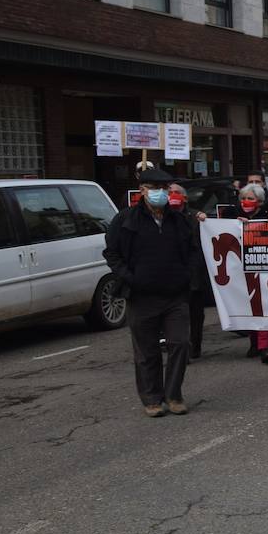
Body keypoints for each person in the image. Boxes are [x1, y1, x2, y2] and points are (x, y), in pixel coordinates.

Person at [103, 167, 196, 417]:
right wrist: (131, 278)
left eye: (164, 189)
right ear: (143, 190)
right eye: (155, 189)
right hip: (142, 296)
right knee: (147, 351)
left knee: (179, 343)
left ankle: (174, 395)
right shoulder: (125, 220)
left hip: (174, 295)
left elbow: (192, 251)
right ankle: (152, 398)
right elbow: (111, 253)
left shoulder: (179, 220)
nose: (161, 194)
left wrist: (186, 276)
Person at [168, 183, 213, 360]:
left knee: (195, 315)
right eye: (170, 192)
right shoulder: (162, 216)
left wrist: (204, 219)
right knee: (176, 316)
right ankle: (181, 348)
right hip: (172, 275)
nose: (173, 195)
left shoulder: (195, 217)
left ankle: (195, 346)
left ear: (184, 198)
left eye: (177, 193)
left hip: (194, 275)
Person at [236, 184, 268, 364]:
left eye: (250, 198)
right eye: (244, 197)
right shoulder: (234, 215)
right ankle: (253, 342)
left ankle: (264, 347)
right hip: (241, 270)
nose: (246, 201)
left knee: (263, 305)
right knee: (248, 305)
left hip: (264, 267)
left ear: (259, 201)